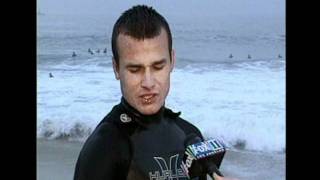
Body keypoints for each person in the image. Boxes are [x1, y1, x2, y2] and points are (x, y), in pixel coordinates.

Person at [73, 5, 235, 180]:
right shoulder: (104, 148)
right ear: (116, 69)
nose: (148, 83)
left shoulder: (189, 134)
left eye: (158, 67)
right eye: (135, 69)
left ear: (172, 61)